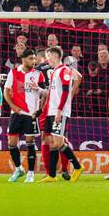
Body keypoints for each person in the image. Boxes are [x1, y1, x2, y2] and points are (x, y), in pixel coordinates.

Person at [39, 45, 82, 182]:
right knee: (52, 142)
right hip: (51, 111)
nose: (47, 60)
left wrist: (59, 110)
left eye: (49, 56)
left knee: (58, 142)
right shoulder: (56, 71)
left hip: (59, 111)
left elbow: (64, 91)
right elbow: (54, 93)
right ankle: (52, 175)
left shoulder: (64, 70)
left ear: (55, 56)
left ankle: (77, 166)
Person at [4, 49, 43, 183]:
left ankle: (31, 173)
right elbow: (6, 91)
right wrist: (13, 107)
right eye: (31, 59)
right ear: (24, 59)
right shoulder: (13, 72)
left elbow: (44, 93)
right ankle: (19, 168)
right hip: (16, 113)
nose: (34, 61)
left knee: (30, 142)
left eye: (34, 58)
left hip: (31, 114)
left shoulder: (38, 74)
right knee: (12, 143)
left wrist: (40, 110)